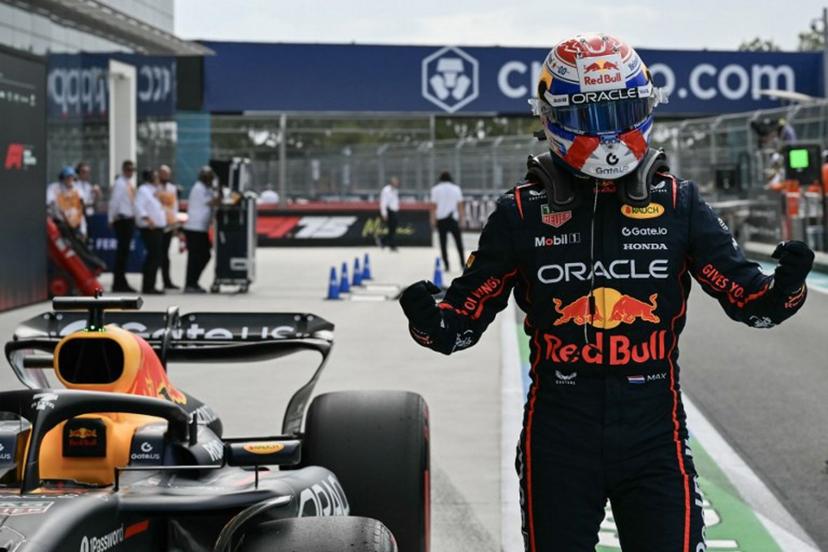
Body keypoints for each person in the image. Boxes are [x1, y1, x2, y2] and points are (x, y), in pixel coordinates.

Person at [399, 33, 814, 552]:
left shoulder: (679, 203)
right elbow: (457, 326)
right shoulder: (520, 214)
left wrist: (786, 287)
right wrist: (430, 321)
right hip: (558, 434)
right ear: (554, 117)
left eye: (624, 109)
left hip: (654, 434)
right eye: (595, 116)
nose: (612, 132)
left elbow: (753, 306)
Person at [183, 166, 217, 293]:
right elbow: (211, 202)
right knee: (195, 257)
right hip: (194, 228)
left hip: (201, 228)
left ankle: (193, 281)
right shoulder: (199, 188)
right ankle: (190, 283)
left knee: (204, 255)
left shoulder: (206, 188)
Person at [135, 169, 166, 295]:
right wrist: (148, 219)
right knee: (153, 256)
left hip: (157, 228)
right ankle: (148, 286)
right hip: (150, 228)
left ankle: (151, 284)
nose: (158, 179)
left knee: (155, 256)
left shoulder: (153, 191)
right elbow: (139, 206)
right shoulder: (143, 190)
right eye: (156, 177)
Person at [108, 160, 137, 292]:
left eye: (132, 170)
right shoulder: (120, 184)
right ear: (124, 170)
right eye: (128, 169)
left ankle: (121, 281)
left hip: (129, 219)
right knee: (121, 253)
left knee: (124, 253)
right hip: (122, 220)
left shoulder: (128, 183)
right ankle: (118, 282)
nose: (130, 172)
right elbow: (114, 202)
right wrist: (110, 218)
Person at [430, 171, 465, 272]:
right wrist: (462, 219)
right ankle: (463, 264)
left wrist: (432, 220)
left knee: (443, 244)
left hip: (441, 220)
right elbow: (460, 205)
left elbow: (433, 207)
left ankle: (446, 265)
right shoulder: (456, 188)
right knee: (459, 243)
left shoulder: (435, 189)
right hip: (453, 218)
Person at [157, 164, 180, 290]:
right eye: (162, 173)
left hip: (169, 224)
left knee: (165, 254)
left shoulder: (172, 188)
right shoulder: (155, 188)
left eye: (166, 174)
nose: (164, 176)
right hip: (158, 224)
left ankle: (167, 281)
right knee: (157, 254)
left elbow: (175, 207)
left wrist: (175, 223)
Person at [46, 166, 86, 237]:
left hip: (74, 221)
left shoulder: (77, 188)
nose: (70, 179)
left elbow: (82, 202)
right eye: (67, 177)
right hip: (58, 221)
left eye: (72, 177)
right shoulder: (54, 187)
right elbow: (49, 201)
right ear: (62, 178)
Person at [379, 176, 400, 250]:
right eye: (395, 182)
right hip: (389, 211)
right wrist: (384, 213)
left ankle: (383, 241)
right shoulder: (386, 190)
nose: (397, 183)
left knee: (393, 229)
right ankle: (392, 245)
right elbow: (383, 203)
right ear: (391, 182)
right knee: (391, 229)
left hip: (395, 211)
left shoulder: (395, 190)